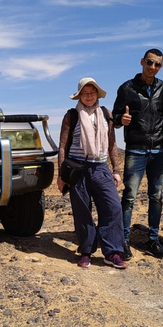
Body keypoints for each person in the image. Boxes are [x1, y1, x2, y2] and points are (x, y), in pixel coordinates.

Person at [57, 77, 127, 269]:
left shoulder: (105, 114)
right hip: (78, 169)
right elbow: (63, 146)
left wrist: (116, 170)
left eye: (92, 92)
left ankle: (112, 252)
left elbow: (112, 144)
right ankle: (86, 251)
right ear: (79, 96)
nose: (88, 96)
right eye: (85, 93)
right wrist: (61, 175)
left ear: (97, 94)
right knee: (82, 212)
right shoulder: (72, 115)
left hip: (101, 168)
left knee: (113, 208)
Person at [112, 49, 163, 260]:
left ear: (161, 67)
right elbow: (115, 117)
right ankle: (123, 240)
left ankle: (153, 240)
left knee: (156, 196)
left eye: (157, 64)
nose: (152, 67)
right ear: (142, 62)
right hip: (136, 149)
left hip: (159, 150)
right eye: (150, 62)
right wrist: (121, 120)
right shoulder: (127, 88)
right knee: (129, 196)